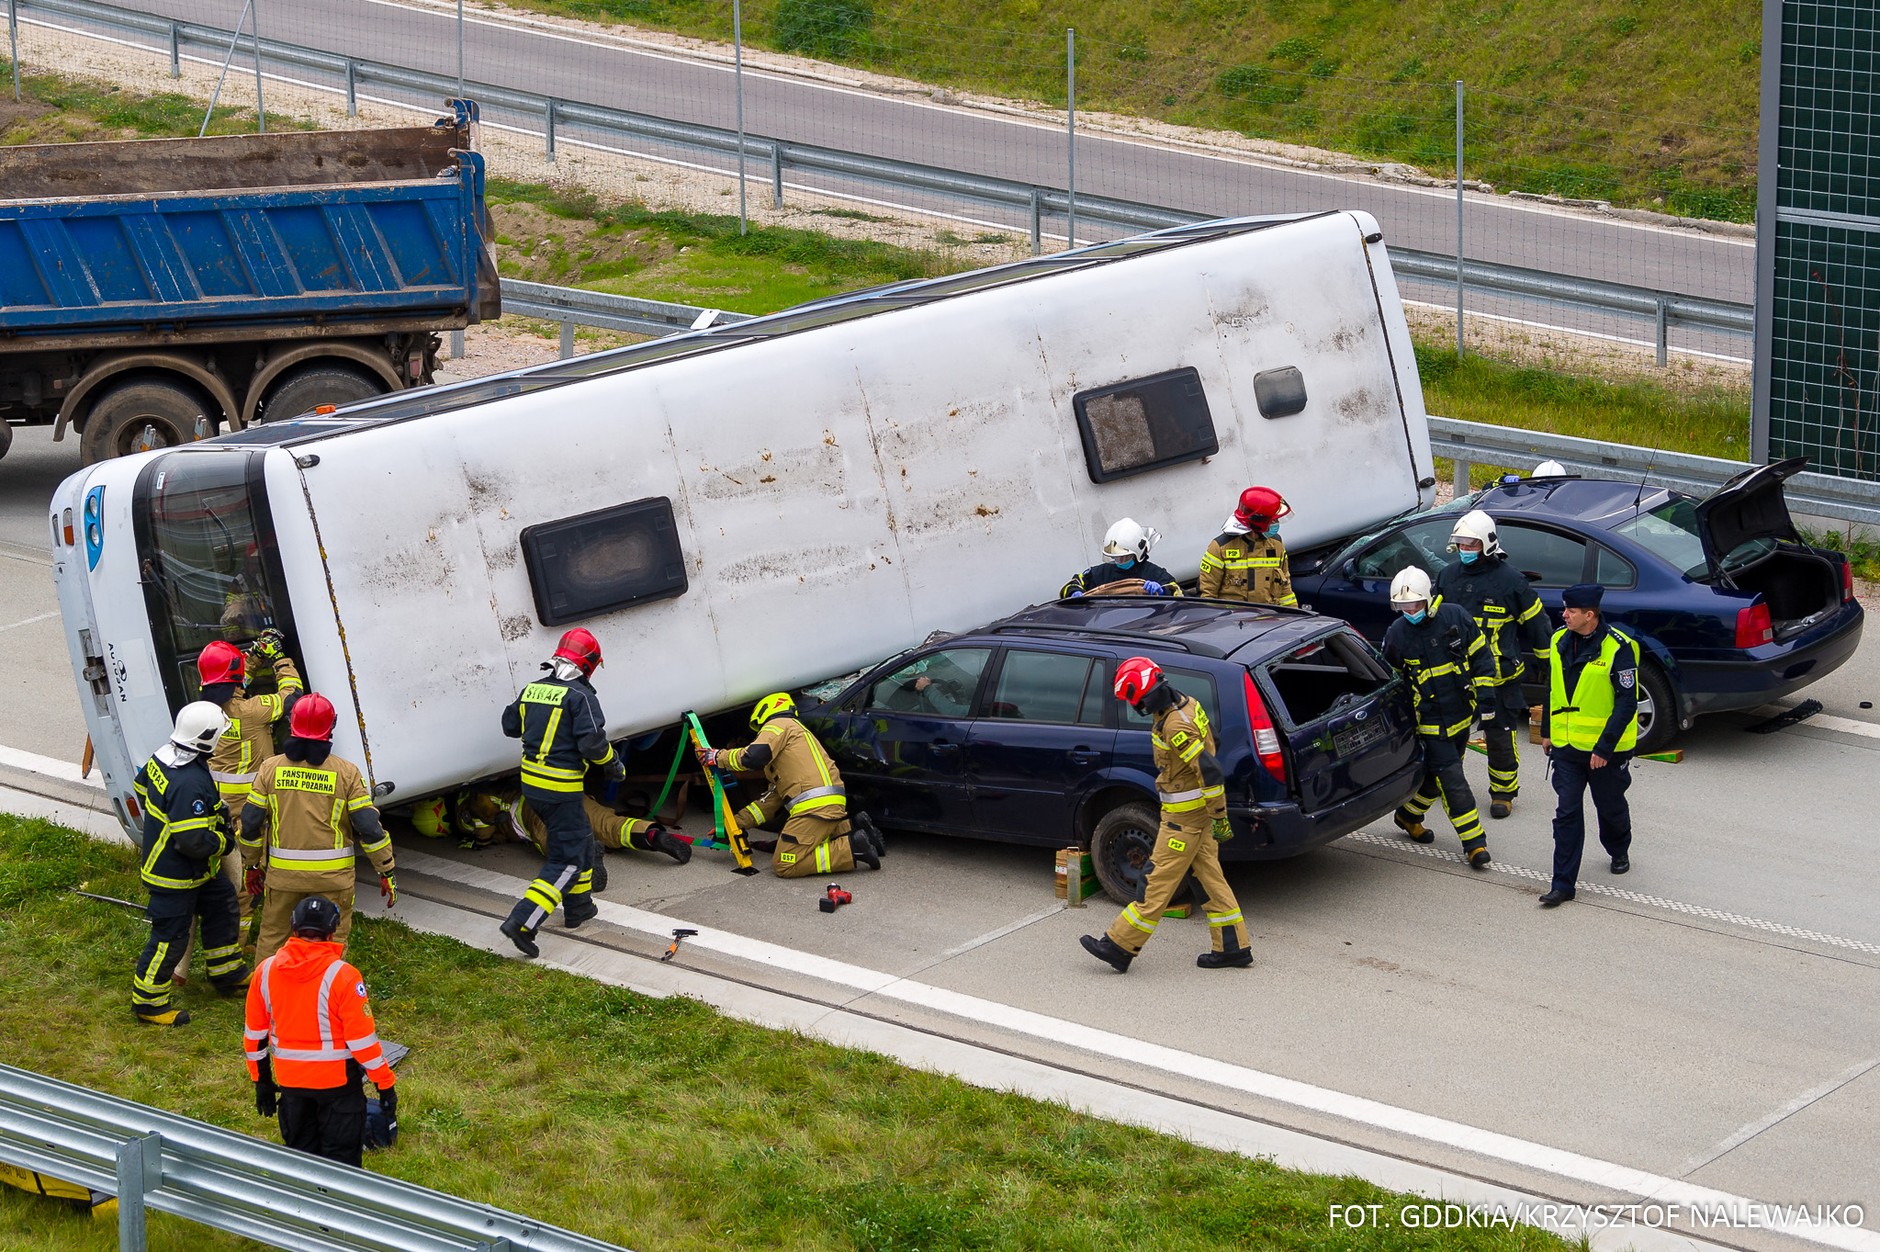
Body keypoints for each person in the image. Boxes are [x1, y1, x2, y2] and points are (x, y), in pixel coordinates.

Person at [1080, 657, 1251, 973]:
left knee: (1154, 882)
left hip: (1184, 821)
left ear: (1147, 690)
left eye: (1137, 699)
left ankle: (1119, 946)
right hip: (1195, 816)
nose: (1138, 706)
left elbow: (1210, 772)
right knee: (1210, 879)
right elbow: (1214, 739)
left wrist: (1220, 816)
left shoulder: (1175, 724)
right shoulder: (1187, 705)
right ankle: (1233, 947)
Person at [240, 692, 396, 961]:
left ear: (291, 724)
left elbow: (251, 823)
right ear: (331, 727)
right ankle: (324, 995)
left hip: (283, 878)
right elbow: (369, 828)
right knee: (330, 942)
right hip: (332, 879)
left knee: (273, 939)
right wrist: (386, 869)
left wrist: (252, 866)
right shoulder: (346, 773)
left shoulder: (269, 769)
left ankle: (266, 998)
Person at [498, 628, 626, 957]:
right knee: (567, 859)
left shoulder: (532, 689)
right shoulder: (580, 696)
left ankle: (579, 908)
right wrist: (612, 763)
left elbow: (509, 725)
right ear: (589, 664)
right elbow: (592, 744)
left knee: (581, 840)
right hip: (560, 789)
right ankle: (523, 922)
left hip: (533, 787)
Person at [245, 895, 396, 1168]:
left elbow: (255, 1037)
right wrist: (385, 1086)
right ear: (332, 931)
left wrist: (262, 1082)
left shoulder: (264, 972)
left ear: (293, 928)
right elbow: (363, 1044)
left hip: (291, 1086)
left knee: (302, 1164)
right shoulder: (344, 976)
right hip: (339, 1089)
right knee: (342, 1167)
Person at [186, 634, 303, 969]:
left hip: (216, 807)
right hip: (248, 812)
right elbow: (291, 697)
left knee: (221, 877)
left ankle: (223, 942)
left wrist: (251, 657)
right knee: (245, 885)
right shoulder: (254, 712)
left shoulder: (201, 711)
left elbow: (231, 687)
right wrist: (279, 657)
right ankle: (233, 952)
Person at [129, 702, 250, 1026]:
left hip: (197, 872)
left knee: (223, 907)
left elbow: (142, 788)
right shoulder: (189, 782)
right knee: (171, 936)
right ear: (206, 738)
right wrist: (224, 841)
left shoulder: (163, 755)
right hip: (176, 875)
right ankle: (149, 1003)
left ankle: (226, 973)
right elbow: (194, 843)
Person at [1434, 510, 1551, 818]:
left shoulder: (1511, 582)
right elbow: (1432, 622)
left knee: (1499, 737)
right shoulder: (1448, 577)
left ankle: (1502, 793)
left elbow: (1538, 624)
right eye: (1460, 545)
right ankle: (1443, 785)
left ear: (1487, 545)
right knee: (1449, 735)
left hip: (1500, 679)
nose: (1465, 551)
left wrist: (1545, 662)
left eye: (1471, 545)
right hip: (1457, 676)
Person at [1381, 567, 1496, 869]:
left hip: (1462, 716)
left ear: (1429, 600)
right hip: (1430, 724)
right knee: (1453, 781)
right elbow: (1392, 684)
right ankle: (1474, 844)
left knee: (1434, 779)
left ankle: (1407, 816)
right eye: (1403, 608)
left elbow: (1482, 658)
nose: (1410, 612)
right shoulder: (1397, 634)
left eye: (1415, 606)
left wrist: (1486, 699)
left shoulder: (1455, 617)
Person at [702, 693, 884, 878]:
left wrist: (717, 757)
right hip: (827, 804)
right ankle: (853, 828)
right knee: (812, 836)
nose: (759, 735)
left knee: (785, 863)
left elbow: (753, 757)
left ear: (766, 711)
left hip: (813, 808)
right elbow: (769, 803)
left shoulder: (778, 725)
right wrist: (734, 824)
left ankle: (851, 848)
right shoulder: (797, 738)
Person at [1539, 584, 1639, 907]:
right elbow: (1552, 688)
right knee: (1566, 812)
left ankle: (1618, 847)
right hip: (1567, 748)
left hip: (1605, 752)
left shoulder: (1618, 649)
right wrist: (1546, 730)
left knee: (1609, 807)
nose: (1563, 614)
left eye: (1570, 610)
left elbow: (1626, 704)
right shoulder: (1558, 641)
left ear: (1590, 615)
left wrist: (1604, 748)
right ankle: (1563, 884)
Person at [1198, 486, 1297, 606]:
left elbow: (1285, 590)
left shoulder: (1276, 545)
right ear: (1259, 522)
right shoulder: (1220, 548)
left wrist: (1293, 617)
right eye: (1273, 521)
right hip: (1234, 621)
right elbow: (1208, 596)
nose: (1276, 524)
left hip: (1270, 620)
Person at [1060, 518, 1183, 598]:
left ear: (1137, 553)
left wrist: (1163, 591)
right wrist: (1074, 592)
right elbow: (1073, 583)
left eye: (1124, 557)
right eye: (1116, 557)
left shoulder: (1155, 573)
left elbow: (1178, 594)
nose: (1120, 561)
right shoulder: (1102, 573)